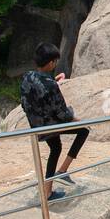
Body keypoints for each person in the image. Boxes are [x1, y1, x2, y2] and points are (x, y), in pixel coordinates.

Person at [20, 42, 88, 202]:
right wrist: (78, 120)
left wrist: (55, 81)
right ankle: (63, 171)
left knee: (55, 148)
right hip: (50, 125)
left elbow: (34, 95)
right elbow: (63, 113)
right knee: (84, 130)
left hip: (36, 125)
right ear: (51, 63)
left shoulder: (28, 77)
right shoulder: (50, 85)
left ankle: (48, 191)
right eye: (55, 61)